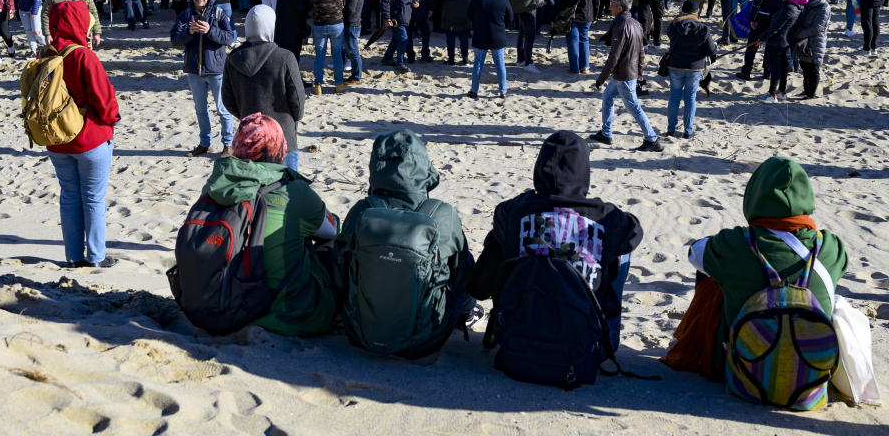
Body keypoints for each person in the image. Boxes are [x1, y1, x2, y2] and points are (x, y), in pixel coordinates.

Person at [663, 157, 847, 393]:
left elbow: (694, 253)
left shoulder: (737, 244)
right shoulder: (830, 246)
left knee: (712, 275)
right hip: (811, 376)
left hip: (740, 369)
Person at [468, 130, 644, 353]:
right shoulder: (604, 215)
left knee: (504, 234)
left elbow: (479, 288)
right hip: (585, 348)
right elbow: (635, 230)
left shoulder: (514, 209)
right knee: (621, 247)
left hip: (518, 341)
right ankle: (606, 327)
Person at [194, 112, 339, 335]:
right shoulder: (295, 191)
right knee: (329, 245)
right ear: (279, 149)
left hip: (216, 302)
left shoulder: (215, 185)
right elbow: (332, 230)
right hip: (283, 311)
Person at [334, 130, 475, 359]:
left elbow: (339, 269)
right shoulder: (442, 214)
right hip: (428, 339)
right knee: (463, 258)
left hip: (359, 333)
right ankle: (468, 314)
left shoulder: (362, 209)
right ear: (423, 169)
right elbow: (461, 278)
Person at [43, 0, 120, 268]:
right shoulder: (83, 56)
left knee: (69, 196)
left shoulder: (46, 54)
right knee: (93, 198)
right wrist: (112, 121)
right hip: (89, 138)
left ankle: (73, 257)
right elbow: (105, 100)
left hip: (56, 139)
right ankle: (96, 256)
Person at [222, 5, 305, 172]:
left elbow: (227, 99)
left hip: (250, 139)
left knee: (256, 194)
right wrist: (291, 120)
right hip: (283, 138)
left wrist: (248, 117)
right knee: (285, 192)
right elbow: (297, 100)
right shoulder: (285, 57)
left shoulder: (233, 58)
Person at [170, 0, 237, 157]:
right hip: (194, 69)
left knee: (223, 109)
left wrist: (210, 30)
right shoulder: (185, 15)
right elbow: (175, 39)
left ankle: (228, 144)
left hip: (216, 69)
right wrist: (189, 32)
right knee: (200, 110)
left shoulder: (219, 13)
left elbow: (230, 38)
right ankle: (205, 143)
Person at [590, 0, 662, 152]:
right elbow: (642, 53)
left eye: (612, 5)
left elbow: (613, 57)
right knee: (608, 97)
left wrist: (601, 79)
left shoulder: (622, 26)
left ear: (620, 8)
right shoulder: (635, 23)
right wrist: (640, 74)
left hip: (624, 75)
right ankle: (606, 133)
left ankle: (652, 139)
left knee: (634, 107)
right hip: (627, 73)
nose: (609, 7)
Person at [738, 0, 797, 81]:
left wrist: (753, 18)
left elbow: (758, 0)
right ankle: (767, 72)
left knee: (753, 44)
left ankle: (746, 71)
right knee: (771, 45)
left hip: (764, 16)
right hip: (780, 17)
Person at [665, 0, 717, 139]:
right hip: (695, 68)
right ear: (697, 12)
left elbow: (672, 37)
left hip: (676, 65)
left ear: (682, 11)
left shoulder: (674, 26)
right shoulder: (703, 28)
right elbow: (711, 50)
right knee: (690, 98)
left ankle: (671, 129)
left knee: (674, 97)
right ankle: (687, 131)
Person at [757, 0, 805, 103]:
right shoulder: (796, 7)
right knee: (783, 68)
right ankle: (782, 92)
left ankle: (772, 94)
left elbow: (776, 27)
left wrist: (762, 38)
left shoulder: (789, 8)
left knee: (776, 69)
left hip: (778, 42)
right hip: (784, 42)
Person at [468, 0, 513, 98]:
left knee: (478, 64)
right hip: (497, 36)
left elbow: (469, 15)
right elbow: (511, 18)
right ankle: (503, 91)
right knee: (500, 64)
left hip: (480, 35)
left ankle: (474, 91)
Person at [552, 0, 599, 73]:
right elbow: (597, 0)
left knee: (573, 41)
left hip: (570, 16)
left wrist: (555, 15)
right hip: (586, 15)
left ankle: (574, 68)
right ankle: (585, 67)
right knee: (584, 39)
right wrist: (595, 16)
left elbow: (559, 1)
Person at [308, 0, 347, 95]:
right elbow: (343, 5)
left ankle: (318, 84)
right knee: (337, 54)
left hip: (319, 24)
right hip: (336, 23)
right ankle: (339, 84)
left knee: (320, 54)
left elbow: (310, 4)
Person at [791, 0, 831, 100]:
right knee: (805, 65)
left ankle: (810, 94)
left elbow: (817, 28)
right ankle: (806, 90)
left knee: (813, 68)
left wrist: (799, 34)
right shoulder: (809, 2)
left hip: (815, 41)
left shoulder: (824, 7)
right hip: (805, 40)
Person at [380, 0, 418, 73]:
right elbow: (385, 1)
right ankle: (400, 63)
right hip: (396, 18)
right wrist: (387, 18)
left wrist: (414, 3)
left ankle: (387, 58)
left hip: (406, 17)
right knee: (403, 40)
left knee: (396, 39)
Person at [341, 0, 366, 85]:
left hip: (352, 24)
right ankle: (356, 75)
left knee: (353, 51)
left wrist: (340, 11)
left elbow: (350, 8)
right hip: (353, 23)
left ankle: (356, 77)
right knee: (351, 51)